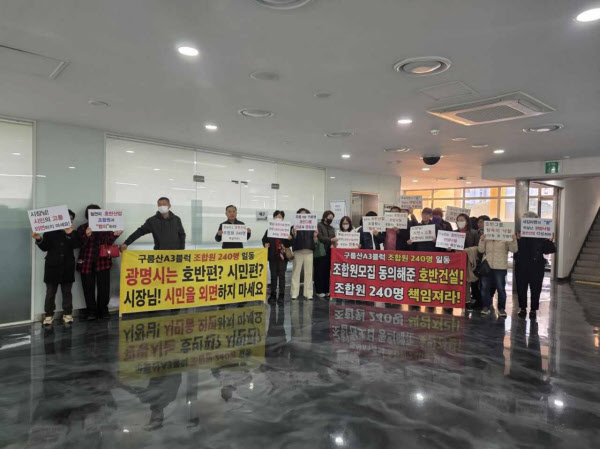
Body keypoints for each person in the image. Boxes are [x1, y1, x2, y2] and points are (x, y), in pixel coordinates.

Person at [32, 209, 80, 325]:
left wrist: (69, 234)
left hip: (67, 266)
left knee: (67, 292)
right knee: (50, 292)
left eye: (71, 219)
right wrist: (38, 238)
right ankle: (48, 315)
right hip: (52, 266)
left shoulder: (73, 232)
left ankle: (67, 313)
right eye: (66, 218)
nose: (69, 220)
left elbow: (77, 245)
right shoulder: (50, 231)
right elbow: (45, 247)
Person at [77, 204, 123, 320]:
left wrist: (115, 234)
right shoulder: (82, 228)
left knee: (104, 288)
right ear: (87, 215)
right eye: (91, 214)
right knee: (88, 288)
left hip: (103, 262)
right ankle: (91, 311)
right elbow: (79, 244)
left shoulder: (104, 227)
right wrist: (87, 235)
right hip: (86, 262)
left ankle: (103, 310)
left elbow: (108, 242)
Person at [515, 211, 556, 320]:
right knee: (521, 288)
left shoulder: (541, 234)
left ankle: (533, 309)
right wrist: (517, 240)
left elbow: (550, 250)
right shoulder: (519, 234)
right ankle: (522, 308)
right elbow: (514, 250)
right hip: (521, 265)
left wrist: (550, 241)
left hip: (536, 266)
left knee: (536, 288)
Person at [478, 222, 518, 317]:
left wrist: (513, 239)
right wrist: (482, 240)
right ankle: (486, 306)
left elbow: (514, 250)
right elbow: (481, 250)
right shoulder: (487, 236)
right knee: (484, 288)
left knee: (501, 289)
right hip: (487, 266)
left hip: (500, 267)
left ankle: (501, 309)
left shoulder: (505, 237)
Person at [121, 197, 186, 251]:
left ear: (169, 206)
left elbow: (182, 235)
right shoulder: (152, 221)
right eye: (159, 205)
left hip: (175, 254)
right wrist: (126, 243)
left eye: (164, 204)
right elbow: (140, 232)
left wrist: (181, 249)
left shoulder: (176, 219)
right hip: (159, 254)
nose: (162, 206)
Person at [261, 210, 292, 304]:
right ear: (273, 218)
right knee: (273, 276)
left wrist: (290, 239)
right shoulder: (269, 229)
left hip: (283, 256)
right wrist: (265, 244)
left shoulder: (287, 229)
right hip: (273, 256)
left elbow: (290, 244)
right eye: (276, 217)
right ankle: (273, 294)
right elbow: (264, 240)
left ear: (283, 219)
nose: (278, 218)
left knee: (282, 276)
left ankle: (281, 295)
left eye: (280, 217)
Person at [290, 208, 318, 300]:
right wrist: (294, 234)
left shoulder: (312, 227)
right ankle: (294, 293)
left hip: (309, 251)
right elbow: (291, 240)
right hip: (297, 251)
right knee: (296, 272)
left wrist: (315, 236)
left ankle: (308, 293)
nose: (303, 216)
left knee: (309, 273)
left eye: (305, 214)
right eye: (301, 214)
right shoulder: (294, 227)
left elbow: (315, 242)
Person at [453, 213, 480, 306]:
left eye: (462, 220)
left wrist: (467, 250)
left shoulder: (474, 233)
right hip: (456, 260)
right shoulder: (453, 233)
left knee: (467, 280)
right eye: (458, 220)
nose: (460, 222)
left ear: (467, 222)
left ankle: (467, 300)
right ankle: (457, 299)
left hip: (468, 260)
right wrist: (449, 248)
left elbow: (478, 247)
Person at [315, 210, 337, 298]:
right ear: (325, 217)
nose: (330, 219)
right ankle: (319, 290)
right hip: (320, 251)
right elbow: (320, 237)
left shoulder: (331, 228)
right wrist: (330, 240)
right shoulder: (319, 225)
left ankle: (326, 290)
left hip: (329, 251)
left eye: (332, 218)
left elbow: (334, 237)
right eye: (329, 217)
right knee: (319, 271)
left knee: (327, 272)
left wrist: (334, 242)